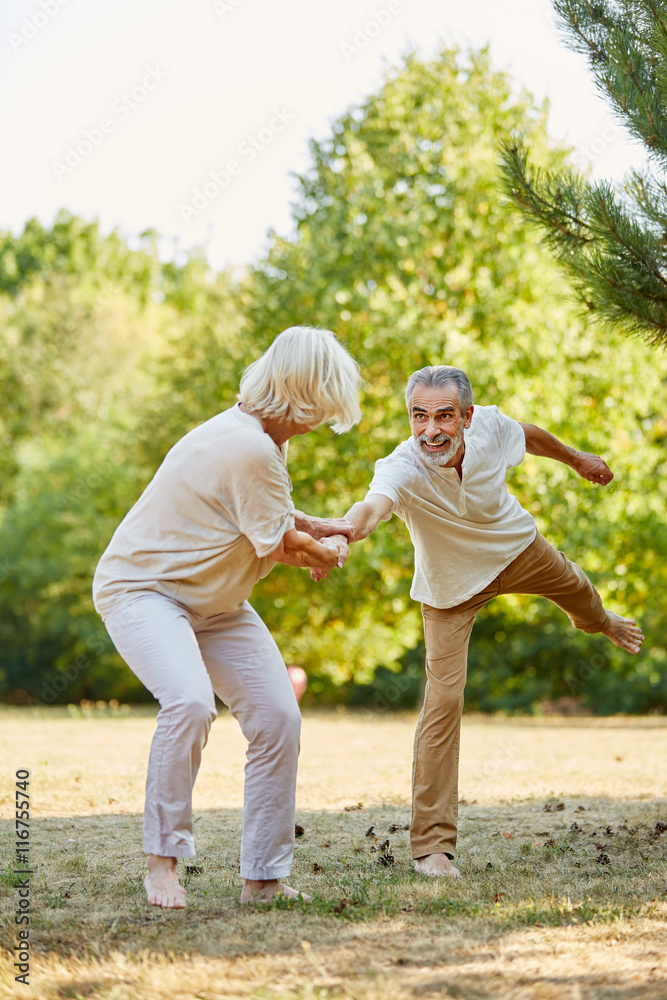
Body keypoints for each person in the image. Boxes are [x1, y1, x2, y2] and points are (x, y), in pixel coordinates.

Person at [322, 365, 643, 879]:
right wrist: (341, 534)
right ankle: (432, 848)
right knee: (443, 701)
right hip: (449, 589)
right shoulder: (401, 467)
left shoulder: (491, 427)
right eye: (419, 416)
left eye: (444, 416)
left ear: (467, 416)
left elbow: (530, 436)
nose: (430, 430)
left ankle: (600, 621)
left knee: (581, 592)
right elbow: (370, 509)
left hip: (516, 549)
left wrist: (577, 459)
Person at [92, 326, 362, 908]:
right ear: (301, 395)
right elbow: (282, 544)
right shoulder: (250, 446)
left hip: (215, 602)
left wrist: (318, 528)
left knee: (278, 717)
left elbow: (272, 514)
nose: (322, 420)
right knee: (190, 702)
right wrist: (327, 550)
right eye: (322, 404)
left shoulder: (262, 439)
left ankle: (264, 878)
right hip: (145, 591)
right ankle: (162, 864)